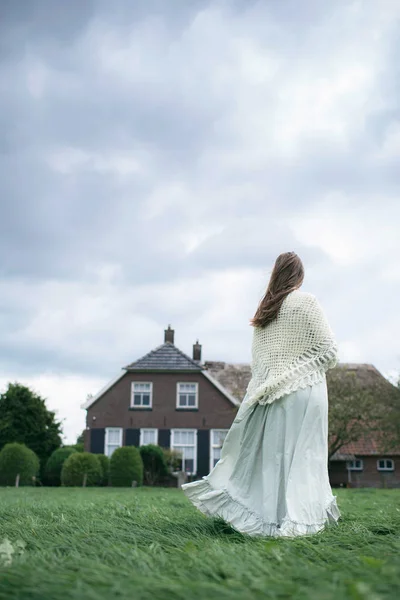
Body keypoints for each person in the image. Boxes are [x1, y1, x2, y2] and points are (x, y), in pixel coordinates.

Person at [182, 252, 341, 537]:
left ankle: (272, 521)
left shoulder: (263, 314)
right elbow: (329, 351)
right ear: (300, 277)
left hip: (270, 397)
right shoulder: (307, 302)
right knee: (305, 458)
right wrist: (296, 373)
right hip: (306, 392)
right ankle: (300, 522)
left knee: (275, 461)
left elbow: (260, 367)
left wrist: (276, 381)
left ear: (275, 275)